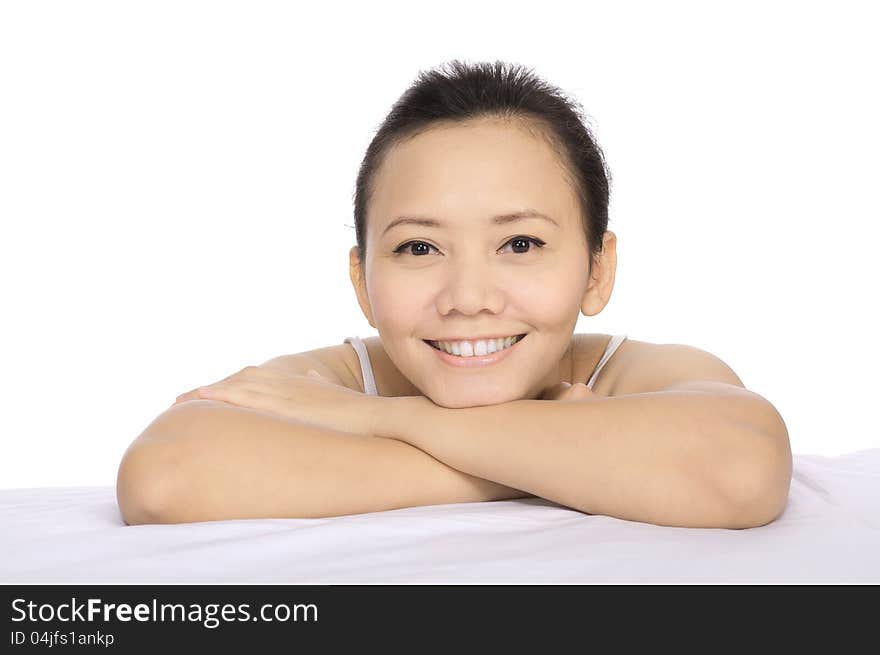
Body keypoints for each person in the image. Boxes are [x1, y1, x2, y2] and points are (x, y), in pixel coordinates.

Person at [117, 60, 791, 529]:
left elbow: (741, 467)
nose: (468, 297)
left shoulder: (630, 372)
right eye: (419, 248)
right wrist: (553, 462)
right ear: (362, 280)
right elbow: (164, 476)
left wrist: (386, 421)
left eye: (520, 244)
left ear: (596, 269)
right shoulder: (332, 376)